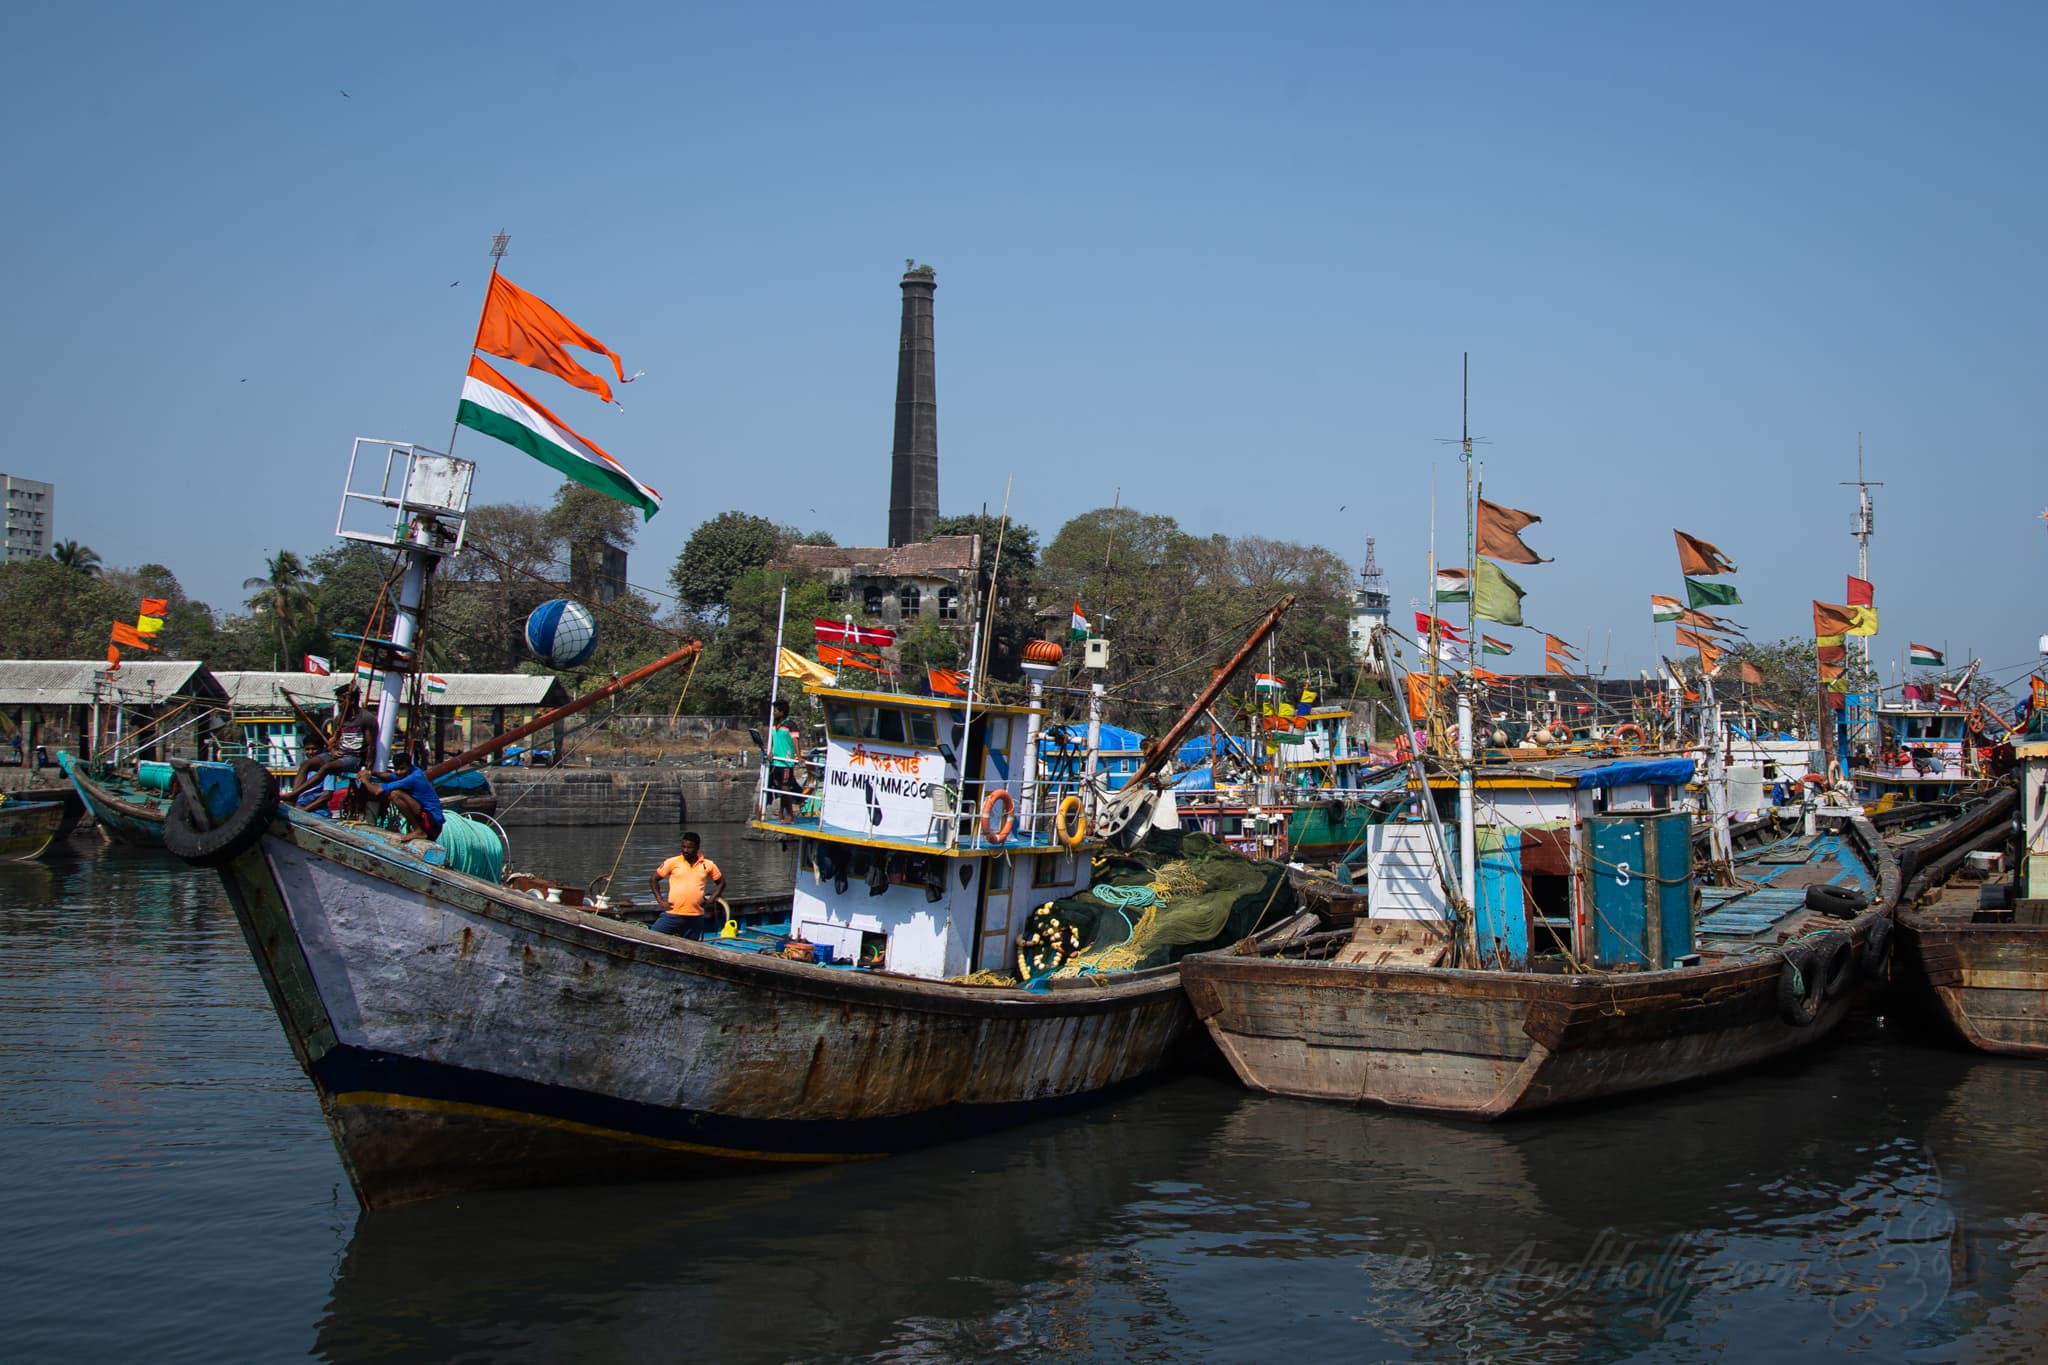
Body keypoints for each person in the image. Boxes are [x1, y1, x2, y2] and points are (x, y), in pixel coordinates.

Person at [287, 690, 373, 804]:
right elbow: (333, 740)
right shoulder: (339, 719)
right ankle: (293, 799)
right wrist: (332, 750)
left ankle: (294, 794)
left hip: (354, 758)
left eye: (341, 702)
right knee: (305, 764)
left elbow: (371, 746)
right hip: (339, 755)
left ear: (351, 701)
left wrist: (367, 769)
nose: (339, 704)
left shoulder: (366, 718)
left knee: (327, 768)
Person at [358, 749, 445, 843]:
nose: (398, 772)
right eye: (396, 769)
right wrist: (372, 773)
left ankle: (418, 831)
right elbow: (389, 776)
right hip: (429, 818)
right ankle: (417, 830)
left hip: (432, 822)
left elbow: (377, 791)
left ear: (409, 766)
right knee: (395, 792)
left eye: (402, 769)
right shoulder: (412, 771)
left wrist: (365, 780)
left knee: (395, 794)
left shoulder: (412, 778)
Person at [650, 832, 725, 939]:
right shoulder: (672, 862)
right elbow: (653, 879)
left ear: (697, 847)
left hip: (695, 916)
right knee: (653, 937)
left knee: (691, 947)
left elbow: (721, 883)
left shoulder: (708, 865)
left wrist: (712, 899)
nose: (685, 850)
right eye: (683, 847)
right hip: (673, 913)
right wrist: (660, 900)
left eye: (689, 847)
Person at [767, 700, 801, 819]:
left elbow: (795, 740)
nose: (773, 713)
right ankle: (781, 812)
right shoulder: (774, 725)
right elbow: (772, 741)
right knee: (781, 788)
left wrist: (799, 756)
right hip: (776, 761)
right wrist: (770, 752)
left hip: (786, 762)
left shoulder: (790, 725)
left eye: (775, 710)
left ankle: (790, 815)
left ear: (782, 712)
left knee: (786, 788)